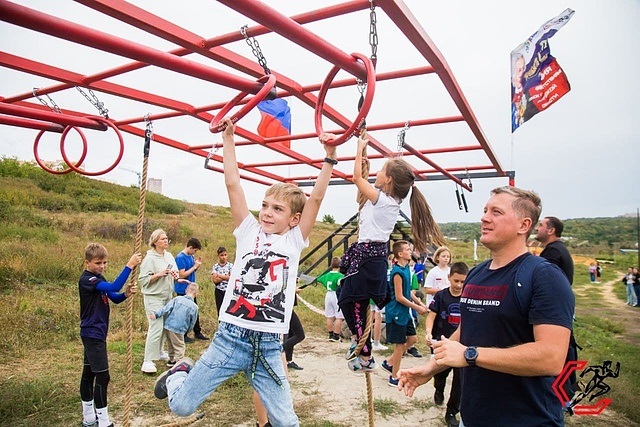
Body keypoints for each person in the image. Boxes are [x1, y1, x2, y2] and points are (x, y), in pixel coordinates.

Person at [153, 117, 337, 426]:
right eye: (265, 205)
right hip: (230, 339)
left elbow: (316, 199)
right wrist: (228, 138)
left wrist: (329, 157)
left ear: (294, 219)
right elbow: (232, 183)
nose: (267, 212)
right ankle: (179, 373)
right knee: (181, 406)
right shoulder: (248, 231)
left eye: (277, 209)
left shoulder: (294, 241)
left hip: (268, 347)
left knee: (288, 423)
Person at [397, 186, 575, 427]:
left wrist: (471, 355)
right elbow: (466, 331)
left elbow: (551, 357)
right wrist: (431, 367)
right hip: (472, 418)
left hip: (527, 420)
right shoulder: (477, 273)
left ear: (523, 225)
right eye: (484, 210)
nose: (484, 217)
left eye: (496, 212)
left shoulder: (544, 276)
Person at [339, 132, 444, 373]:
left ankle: (364, 353)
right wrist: (365, 164)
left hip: (369, 259)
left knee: (349, 300)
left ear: (387, 180)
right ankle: (360, 345)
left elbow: (356, 178)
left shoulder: (384, 202)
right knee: (348, 296)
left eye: (379, 171)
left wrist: (358, 150)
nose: (375, 174)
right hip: (367, 256)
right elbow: (361, 185)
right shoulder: (382, 200)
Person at [78, 243, 141, 427]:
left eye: (105, 262)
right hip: (92, 334)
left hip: (96, 333)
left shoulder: (98, 277)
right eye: (98, 263)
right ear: (87, 263)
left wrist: (126, 294)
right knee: (103, 377)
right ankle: (103, 422)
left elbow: (114, 295)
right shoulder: (87, 279)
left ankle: (89, 419)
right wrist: (129, 265)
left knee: (89, 374)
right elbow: (114, 285)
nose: (102, 266)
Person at [425, 262, 468, 427]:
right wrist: (428, 331)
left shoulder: (468, 298)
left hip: (461, 346)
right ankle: (439, 389)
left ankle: (451, 411)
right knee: (441, 373)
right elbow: (431, 316)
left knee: (459, 380)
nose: (459, 285)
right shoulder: (441, 296)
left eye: (463, 282)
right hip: (441, 341)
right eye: (456, 281)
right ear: (449, 278)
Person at [381, 240, 428, 387]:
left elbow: (408, 292)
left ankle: (389, 362)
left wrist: (420, 303)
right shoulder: (397, 272)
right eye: (408, 249)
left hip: (405, 312)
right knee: (400, 344)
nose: (410, 251)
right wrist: (416, 307)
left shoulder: (407, 268)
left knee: (412, 339)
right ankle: (394, 377)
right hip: (396, 312)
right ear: (400, 254)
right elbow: (400, 297)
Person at [138, 229, 179, 374]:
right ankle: (148, 360)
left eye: (167, 238)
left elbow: (176, 271)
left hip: (167, 296)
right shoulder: (149, 259)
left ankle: (160, 351)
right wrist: (158, 274)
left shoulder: (168, 256)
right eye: (162, 239)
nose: (166, 241)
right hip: (153, 296)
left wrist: (174, 274)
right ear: (155, 242)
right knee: (155, 326)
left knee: (164, 325)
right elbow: (143, 280)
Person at [150, 282, 200, 367]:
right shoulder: (194, 307)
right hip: (180, 328)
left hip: (169, 325)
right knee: (179, 345)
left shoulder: (177, 299)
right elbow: (193, 321)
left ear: (186, 290)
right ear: (196, 294)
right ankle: (179, 362)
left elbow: (166, 308)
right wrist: (188, 330)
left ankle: (171, 359)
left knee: (171, 343)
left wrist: (156, 314)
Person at [174, 238, 208, 342]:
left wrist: (197, 265)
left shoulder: (191, 256)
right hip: (182, 289)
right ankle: (183, 334)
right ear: (190, 247)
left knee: (194, 310)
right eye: (195, 250)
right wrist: (194, 267)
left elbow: (192, 270)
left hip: (191, 289)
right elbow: (182, 274)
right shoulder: (180, 258)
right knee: (184, 312)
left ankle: (197, 332)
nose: (195, 252)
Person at [535, 216, 574, 285]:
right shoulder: (559, 247)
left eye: (540, 225)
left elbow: (544, 281)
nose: (536, 228)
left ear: (551, 231)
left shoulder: (553, 251)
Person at [316, 256, 344, 342]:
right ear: (340, 265)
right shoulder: (340, 276)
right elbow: (340, 283)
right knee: (339, 316)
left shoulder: (327, 275)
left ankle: (330, 334)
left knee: (329, 316)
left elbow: (319, 279)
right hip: (336, 294)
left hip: (328, 294)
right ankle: (336, 335)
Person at [424, 246, 452, 314]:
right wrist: (442, 292)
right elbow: (427, 290)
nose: (446, 258)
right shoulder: (433, 272)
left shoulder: (451, 271)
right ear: (437, 257)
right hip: (434, 305)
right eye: (443, 256)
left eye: (448, 257)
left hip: (447, 304)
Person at [283, 287, 305, 370]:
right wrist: (292, 290)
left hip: (287, 307)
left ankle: (288, 360)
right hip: (285, 308)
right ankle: (278, 351)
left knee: (291, 334)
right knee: (300, 335)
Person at [211, 246, 233, 318]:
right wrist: (226, 277)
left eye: (225, 255)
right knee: (220, 309)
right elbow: (214, 280)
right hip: (219, 291)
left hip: (228, 290)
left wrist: (219, 275)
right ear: (218, 256)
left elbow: (231, 278)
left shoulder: (230, 266)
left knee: (229, 309)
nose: (224, 257)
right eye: (221, 255)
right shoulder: (215, 266)